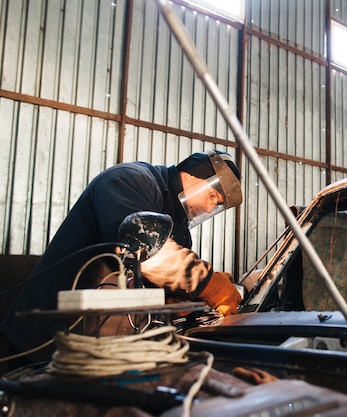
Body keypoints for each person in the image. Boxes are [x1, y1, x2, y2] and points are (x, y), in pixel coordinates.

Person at [0, 150, 243, 364]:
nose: (211, 208)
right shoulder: (129, 180)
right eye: (212, 197)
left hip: (102, 348)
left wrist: (176, 301)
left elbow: (151, 281)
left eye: (217, 204)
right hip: (46, 341)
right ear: (192, 176)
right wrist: (208, 283)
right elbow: (143, 250)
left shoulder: (177, 226)